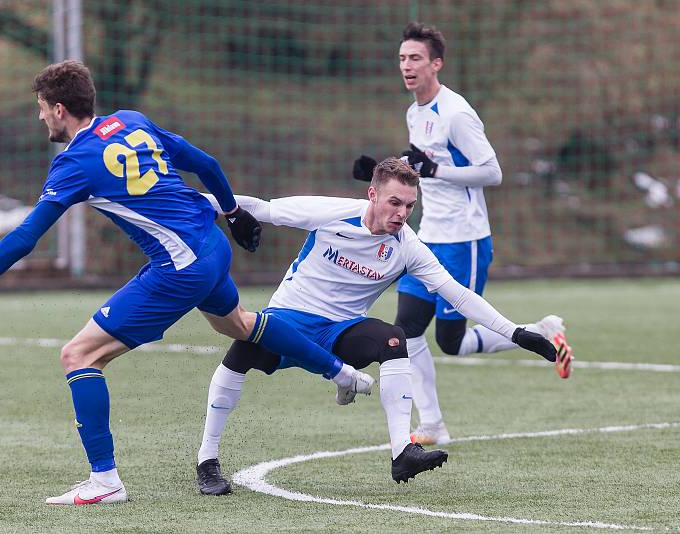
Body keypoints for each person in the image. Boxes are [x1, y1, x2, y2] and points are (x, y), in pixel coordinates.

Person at [0, 60, 374, 506]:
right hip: (211, 245)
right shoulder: (131, 120)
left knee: (79, 354)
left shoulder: (73, 162)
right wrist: (232, 212)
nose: (40, 116)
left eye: (42, 107)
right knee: (241, 324)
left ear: (60, 109)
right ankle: (343, 373)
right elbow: (206, 163)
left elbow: (27, 235)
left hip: (180, 268)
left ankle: (104, 480)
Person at [196, 158, 559, 496]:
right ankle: (207, 460)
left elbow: (458, 295)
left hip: (341, 331)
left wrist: (516, 332)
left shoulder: (408, 247)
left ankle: (403, 453)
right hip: (290, 317)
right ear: (372, 194)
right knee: (242, 349)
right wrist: (194, 202)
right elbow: (264, 208)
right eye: (394, 202)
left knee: (393, 338)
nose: (401, 214)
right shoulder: (333, 213)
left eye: (409, 206)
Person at [352, 22, 573, 446]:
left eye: (415, 58)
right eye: (402, 58)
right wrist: (387, 167)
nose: (407, 66)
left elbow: (492, 172)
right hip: (427, 234)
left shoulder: (456, 113)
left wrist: (436, 171)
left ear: (437, 63)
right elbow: (421, 162)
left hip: (465, 240)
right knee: (407, 328)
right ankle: (432, 424)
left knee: (450, 341)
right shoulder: (414, 112)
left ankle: (542, 331)